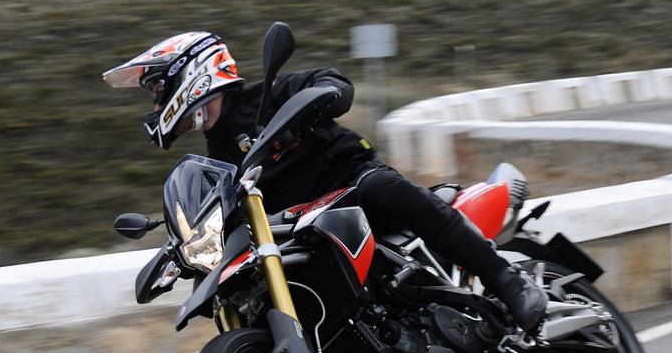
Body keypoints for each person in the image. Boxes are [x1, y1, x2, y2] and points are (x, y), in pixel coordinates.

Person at [103, 30, 546, 330]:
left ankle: (506, 279)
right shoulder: (215, 159)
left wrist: (324, 96)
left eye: (159, 90)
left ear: (193, 76)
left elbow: (332, 82)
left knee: (382, 188)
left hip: (353, 185)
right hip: (307, 227)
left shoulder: (271, 94)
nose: (157, 104)